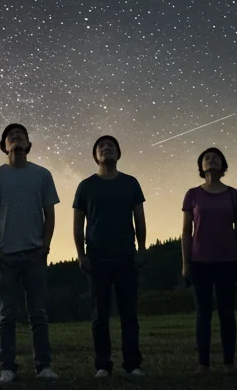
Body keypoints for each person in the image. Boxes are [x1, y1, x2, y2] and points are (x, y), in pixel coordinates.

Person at [0, 123, 60, 384]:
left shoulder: (43, 175)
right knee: (7, 315)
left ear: (28, 144)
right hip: (6, 256)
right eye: (10, 136)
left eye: (21, 135)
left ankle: (43, 366)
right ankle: (8, 367)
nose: (15, 137)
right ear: (4, 146)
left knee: (38, 313)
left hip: (35, 253)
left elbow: (50, 213)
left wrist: (45, 246)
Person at [72, 135, 147, 378]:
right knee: (99, 316)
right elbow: (77, 223)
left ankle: (132, 364)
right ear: (95, 155)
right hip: (97, 257)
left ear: (118, 153)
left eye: (111, 146)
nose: (106, 149)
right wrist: (80, 254)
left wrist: (142, 248)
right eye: (101, 146)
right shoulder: (86, 186)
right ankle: (103, 365)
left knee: (129, 314)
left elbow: (140, 218)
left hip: (125, 255)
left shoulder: (131, 183)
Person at [180, 147, 237, 373]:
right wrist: (185, 263)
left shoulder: (233, 194)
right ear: (201, 166)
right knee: (203, 312)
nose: (211, 160)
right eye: (207, 158)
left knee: (227, 312)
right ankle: (203, 363)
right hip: (200, 261)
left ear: (223, 165)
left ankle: (229, 363)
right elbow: (186, 232)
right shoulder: (192, 194)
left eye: (216, 157)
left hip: (228, 259)